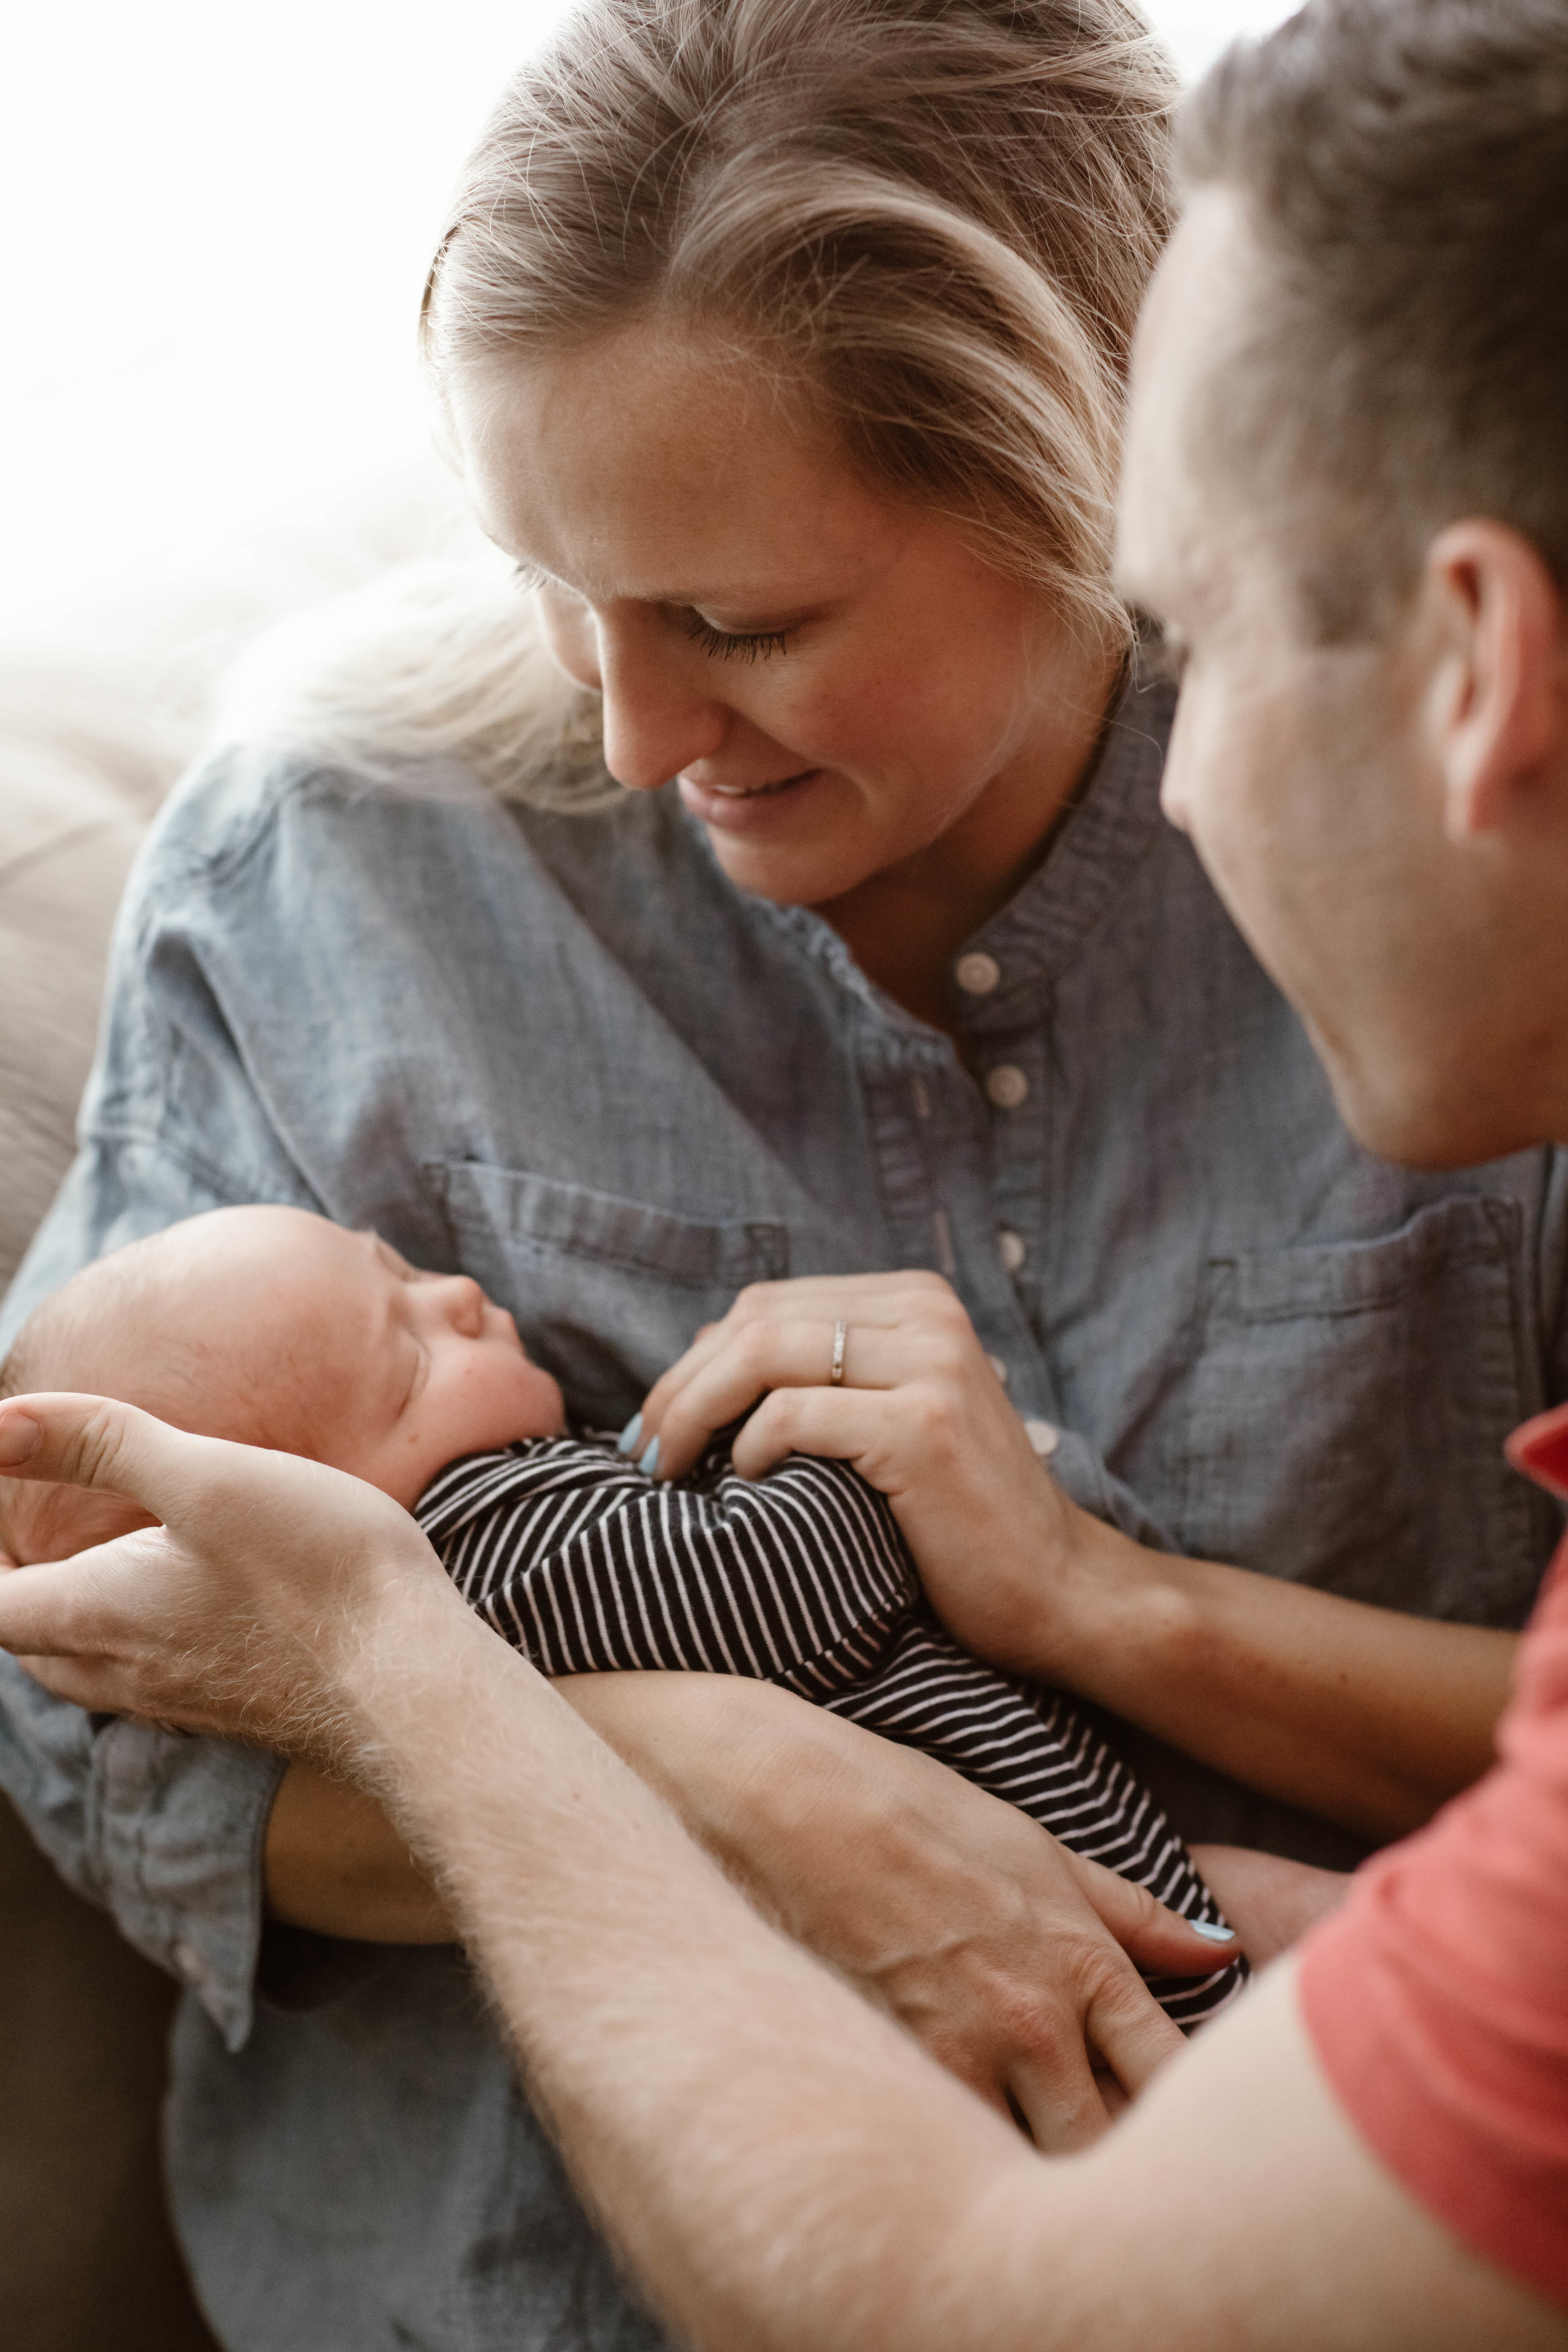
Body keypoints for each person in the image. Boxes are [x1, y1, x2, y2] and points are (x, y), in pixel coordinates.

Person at [2, 0, 1564, 2343]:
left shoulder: (1414, 857)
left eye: (742, 624)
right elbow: (91, 1708)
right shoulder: (337, 877)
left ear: (1085, 483)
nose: (634, 732)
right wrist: (703, 1774)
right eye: (552, 577)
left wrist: (1102, 1604)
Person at [0, 1203, 1257, 2011]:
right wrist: (834, 1458)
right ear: (321, 1516)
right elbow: (777, 1596)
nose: (460, 1296)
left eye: (400, 1269)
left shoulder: (490, 1525)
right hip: (1044, 1945)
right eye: (410, 1359)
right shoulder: (492, 1543)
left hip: (1069, 1880)